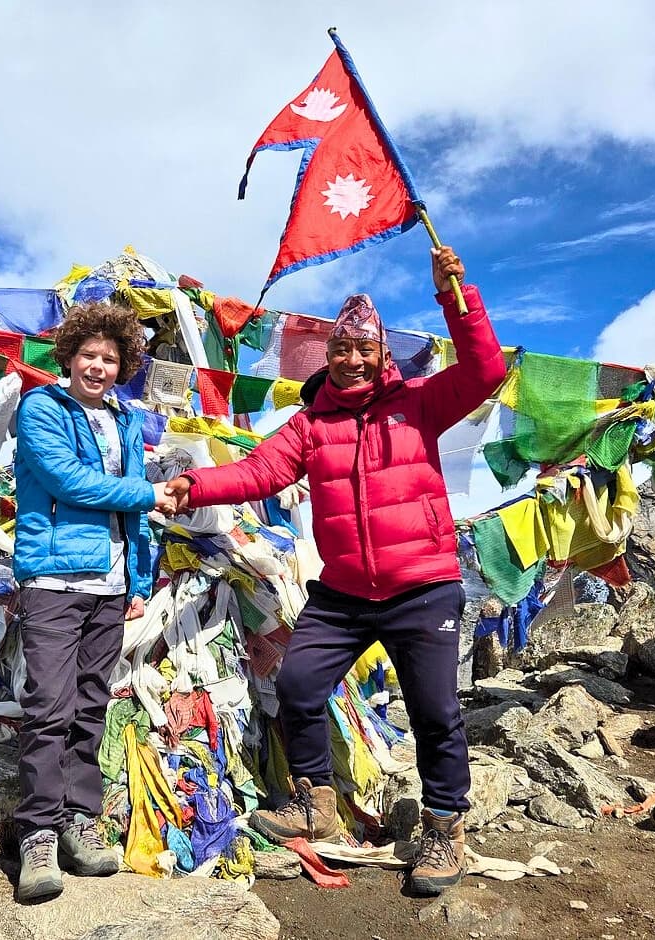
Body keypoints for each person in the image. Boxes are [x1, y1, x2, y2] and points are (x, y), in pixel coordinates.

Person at [163, 247, 505, 896]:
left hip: (423, 587)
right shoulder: (310, 425)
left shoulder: (420, 404)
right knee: (297, 684)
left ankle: (444, 829)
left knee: (435, 711)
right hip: (344, 592)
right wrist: (195, 487)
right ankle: (313, 802)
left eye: (364, 349)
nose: (352, 359)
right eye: (341, 349)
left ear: (382, 354)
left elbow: (486, 370)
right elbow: (259, 471)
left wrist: (455, 298)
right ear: (328, 356)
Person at [10, 301, 177, 902]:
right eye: (89, 355)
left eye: (110, 358)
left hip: (109, 586)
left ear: (123, 365)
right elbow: (66, 480)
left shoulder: (125, 420)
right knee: (48, 707)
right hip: (54, 581)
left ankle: (79, 821)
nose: (98, 367)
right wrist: (150, 493)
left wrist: (138, 581)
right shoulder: (42, 408)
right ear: (70, 356)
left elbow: (132, 514)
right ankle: (36, 835)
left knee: (89, 707)